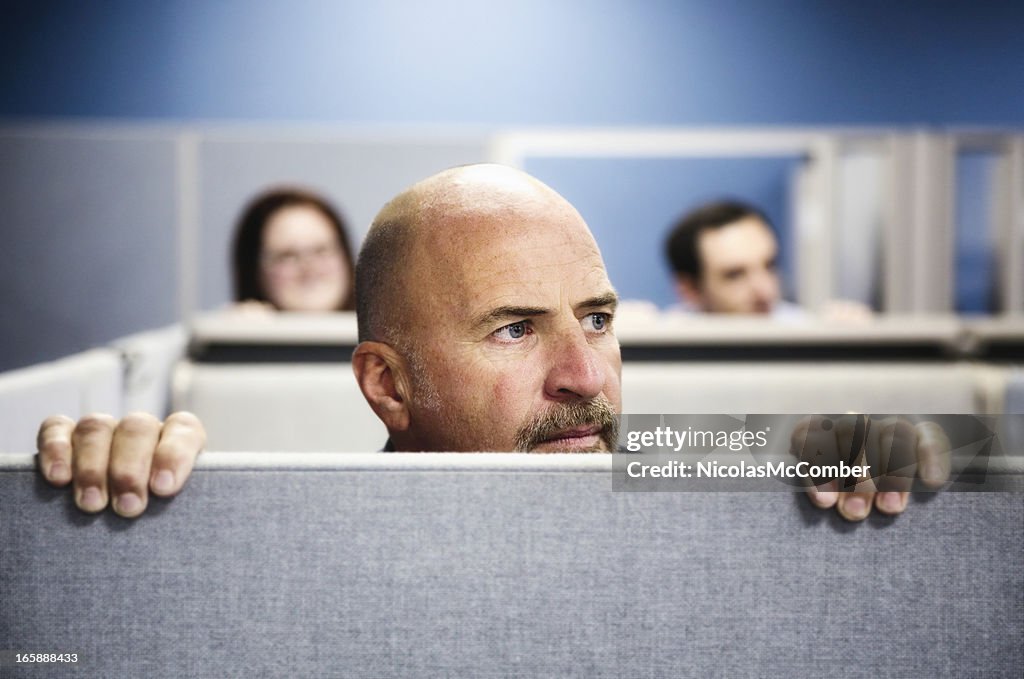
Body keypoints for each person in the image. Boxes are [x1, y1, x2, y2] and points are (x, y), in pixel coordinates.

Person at [35, 165, 947, 521]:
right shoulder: (288, 527)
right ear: (387, 386)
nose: (586, 376)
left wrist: (890, 452)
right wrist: (120, 492)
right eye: (514, 329)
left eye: (597, 318)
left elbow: (953, 454)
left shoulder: (673, 471)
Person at [664, 200, 870, 318]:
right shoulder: (663, 346)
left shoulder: (804, 332)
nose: (764, 291)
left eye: (769, 266)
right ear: (689, 290)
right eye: (735, 275)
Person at [231, 187, 356, 312]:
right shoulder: (228, 327)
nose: (309, 267)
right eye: (287, 256)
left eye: (321, 251)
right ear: (254, 271)